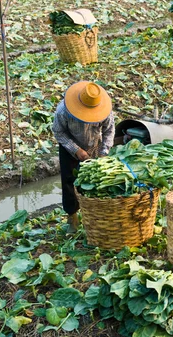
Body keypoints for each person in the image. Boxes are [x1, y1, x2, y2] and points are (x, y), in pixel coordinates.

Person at [52, 81, 115, 233]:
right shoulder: (63, 111)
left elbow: (109, 131)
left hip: (95, 146)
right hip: (70, 148)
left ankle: (94, 216)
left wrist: (103, 153)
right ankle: (72, 218)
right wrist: (76, 150)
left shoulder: (105, 111)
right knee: (69, 182)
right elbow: (58, 132)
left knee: (96, 181)